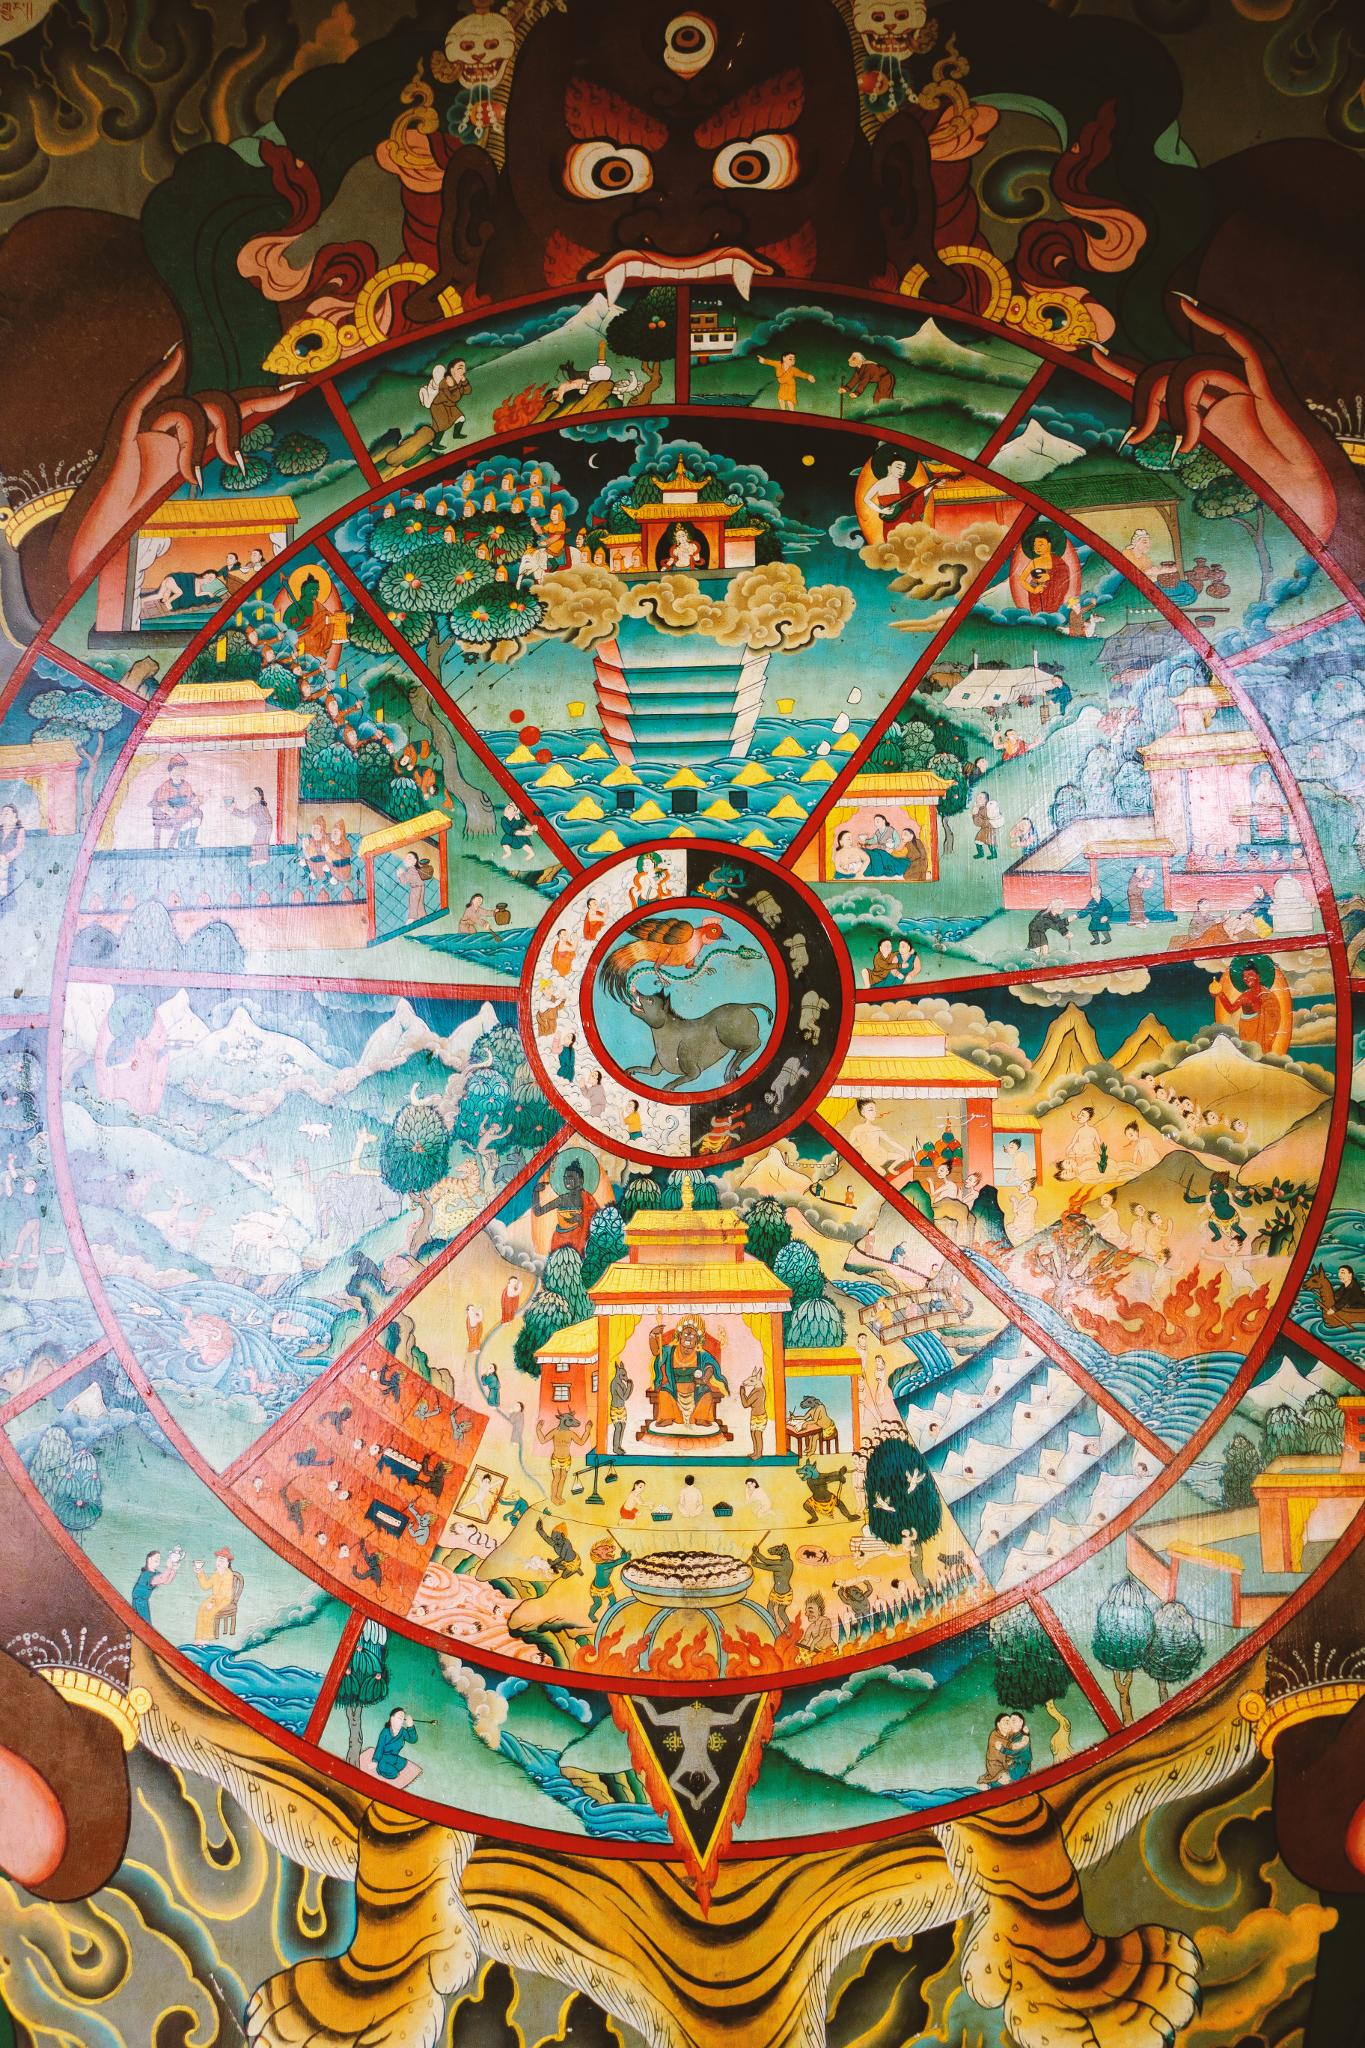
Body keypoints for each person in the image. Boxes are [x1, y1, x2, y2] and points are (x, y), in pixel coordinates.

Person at [647, 1314, 730, 1433]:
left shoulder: (701, 1354)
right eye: (685, 1334)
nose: (688, 1338)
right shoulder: (669, 1350)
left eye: (692, 1335)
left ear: (697, 1340)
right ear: (679, 1336)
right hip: (673, 1391)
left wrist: (704, 1380)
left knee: (707, 1394)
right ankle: (666, 1418)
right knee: (664, 1394)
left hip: (696, 1393)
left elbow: (710, 1367)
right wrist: (652, 1335)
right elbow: (656, 1352)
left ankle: (701, 1418)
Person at [534, 1159, 596, 1254]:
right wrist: (535, 1192)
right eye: (565, 1177)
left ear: (581, 1180)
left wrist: (581, 1219)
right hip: (559, 1240)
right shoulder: (562, 1199)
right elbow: (538, 1212)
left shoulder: (587, 1199)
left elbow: (597, 1217)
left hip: (579, 1240)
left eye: (571, 1177)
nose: (567, 1180)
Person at [536, 1408, 591, 1504]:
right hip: (556, 1459)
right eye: (570, 1420)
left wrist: (587, 1430)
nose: (575, 1422)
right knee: (557, 1478)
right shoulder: (555, 1431)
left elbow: (581, 1442)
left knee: (563, 1479)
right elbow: (543, 1440)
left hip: (566, 1459)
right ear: (563, 1420)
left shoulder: (570, 1433)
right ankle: (553, 1497)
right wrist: (538, 1430)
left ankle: (559, 1496)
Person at [150, 756, 202, 849]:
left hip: (186, 811)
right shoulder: (165, 786)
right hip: (170, 814)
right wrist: (169, 808)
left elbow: (191, 798)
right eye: (177, 770)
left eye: (182, 770)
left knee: (196, 819)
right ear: (171, 772)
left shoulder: (186, 785)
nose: (179, 772)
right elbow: (162, 802)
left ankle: (191, 843)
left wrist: (197, 800)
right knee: (185, 823)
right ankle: (181, 845)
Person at [748, 1538, 795, 1632]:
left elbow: (767, 1564)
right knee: (770, 1606)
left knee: (781, 1611)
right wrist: (756, 1556)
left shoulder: (783, 1566)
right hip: (776, 1591)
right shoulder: (787, 1562)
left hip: (784, 1593)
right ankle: (773, 1622)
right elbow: (767, 1562)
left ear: (782, 1553)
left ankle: (788, 1627)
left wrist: (756, 1559)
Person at [193, 1548, 239, 1642]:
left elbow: (223, 1593)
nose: (219, 1563)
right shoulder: (216, 1573)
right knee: (202, 1609)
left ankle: (207, 1638)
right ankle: (199, 1638)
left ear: (227, 1563)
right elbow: (206, 1586)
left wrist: (212, 1603)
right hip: (215, 1598)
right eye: (218, 1560)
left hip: (224, 1600)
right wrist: (200, 1572)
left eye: (222, 1561)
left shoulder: (228, 1574)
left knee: (209, 1612)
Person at [130, 1545, 182, 1624]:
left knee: (146, 1624)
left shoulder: (156, 1572)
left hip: (144, 1601)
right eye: (157, 1557)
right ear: (149, 1559)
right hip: (139, 1601)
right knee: (143, 1624)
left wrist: (173, 1569)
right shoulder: (146, 1574)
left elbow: (166, 1581)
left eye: (159, 1558)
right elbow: (162, 1578)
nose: (158, 1559)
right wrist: (169, 1568)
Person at [370, 1708, 421, 1787]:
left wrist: (410, 1726)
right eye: (399, 1718)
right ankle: (381, 1769)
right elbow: (379, 1748)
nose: (401, 1721)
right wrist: (375, 1761)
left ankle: (387, 1769)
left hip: (394, 1757)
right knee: (393, 1773)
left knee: (403, 1762)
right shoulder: (385, 1732)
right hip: (384, 1757)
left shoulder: (403, 1731)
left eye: (403, 1719)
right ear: (392, 1718)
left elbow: (413, 1740)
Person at [225, 786, 272, 865]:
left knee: (257, 842)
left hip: (263, 826)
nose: (251, 795)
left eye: (254, 794)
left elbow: (243, 815)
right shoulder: (261, 806)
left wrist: (232, 809)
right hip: (267, 826)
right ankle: (261, 858)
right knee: (262, 842)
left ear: (260, 797)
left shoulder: (255, 806)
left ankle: (259, 859)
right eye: (251, 793)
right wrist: (233, 809)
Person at [739, 1365, 768, 1458]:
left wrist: (742, 1393)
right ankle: (755, 1452)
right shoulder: (756, 1389)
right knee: (753, 1434)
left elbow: (746, 1404)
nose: (748, 1382)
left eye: (751, 1381)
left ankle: (758, 1454)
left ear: (757, 1381)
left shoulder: (759, 1392)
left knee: (757, 1434)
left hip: (760, 1416)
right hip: (755, 1416)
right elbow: (748, 1402)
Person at [0, 803, 24, 912]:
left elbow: (19, 847)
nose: (3, 815)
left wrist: (7, 857)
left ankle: (7, 905)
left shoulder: (19, 830)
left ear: (14, 815)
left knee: (7, 885)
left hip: (9, 862)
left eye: (7, 812)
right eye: (2, 813)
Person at [608, 1358, 631, 1457]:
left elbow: (627, 1396)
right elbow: (624, 1397)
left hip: (622, 1408)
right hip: (615, 1409)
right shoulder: (615, 1383)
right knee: (618, 1428)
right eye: (623, 1375)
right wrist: (629, 1386)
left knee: (623, 1427)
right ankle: (615, 1448)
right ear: (618, 1374)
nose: (625, 1377)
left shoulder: (621, 1383)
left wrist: (630, 1386)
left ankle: (619, 1446)